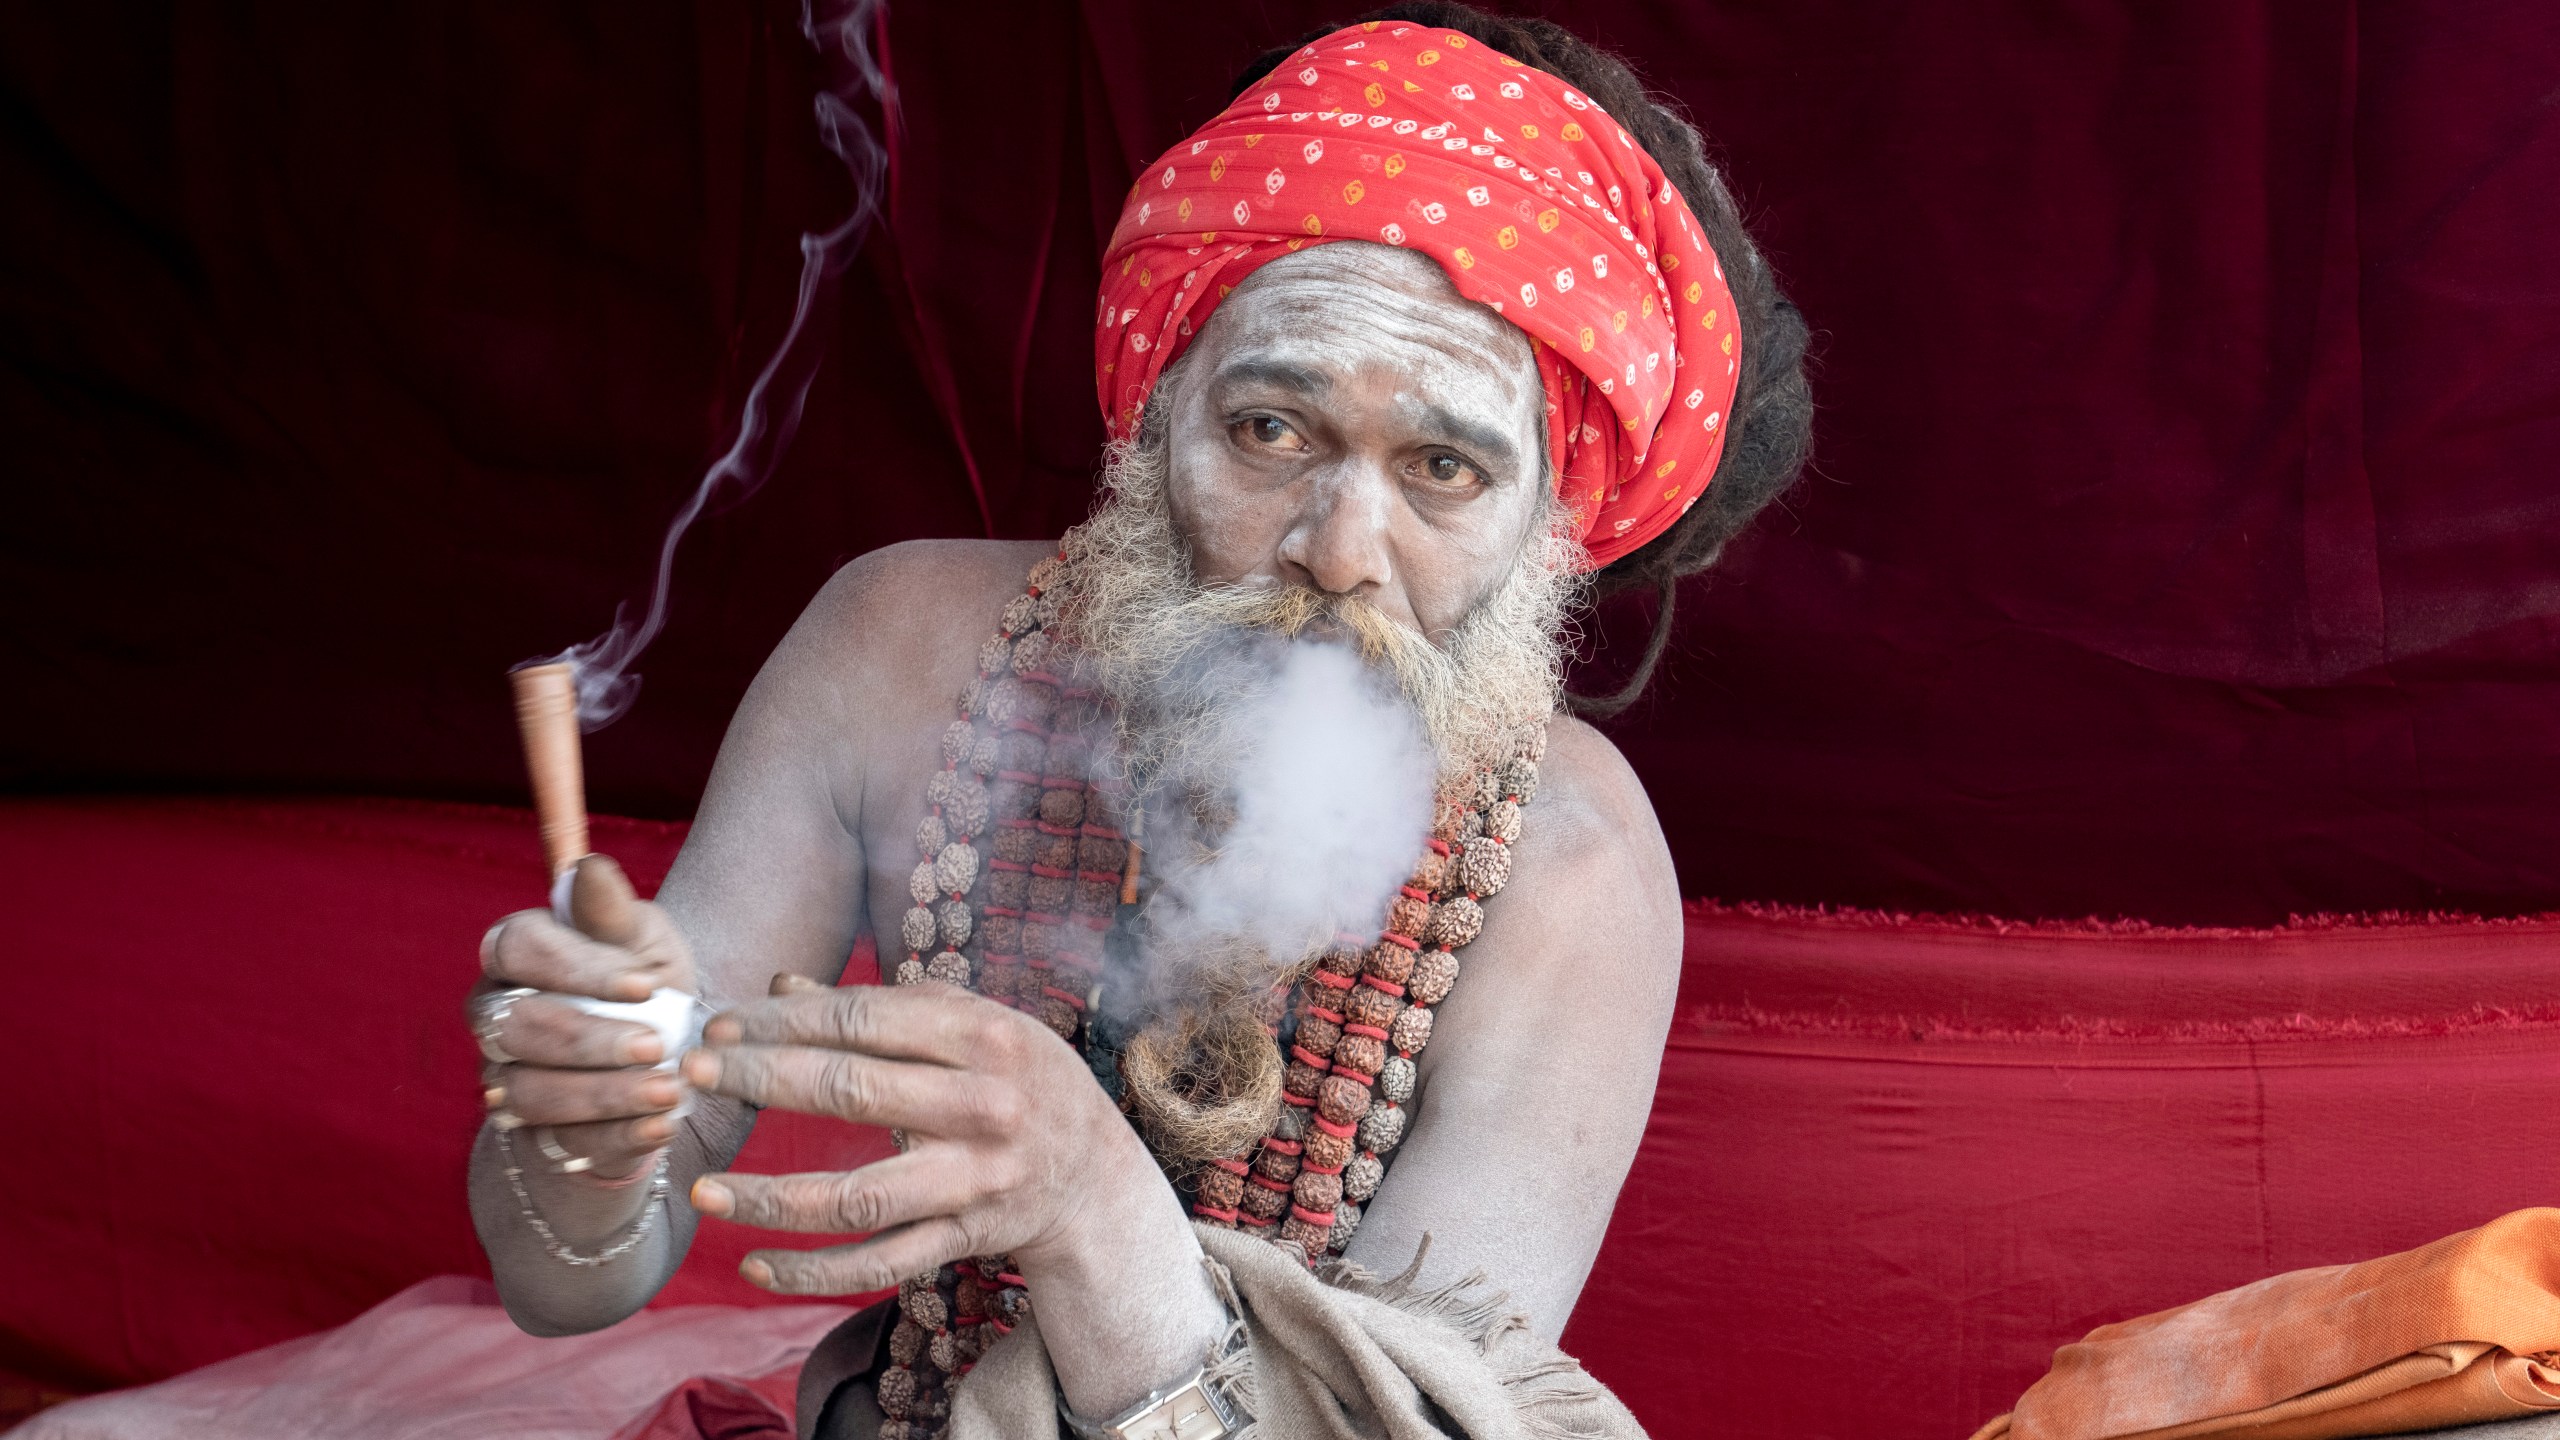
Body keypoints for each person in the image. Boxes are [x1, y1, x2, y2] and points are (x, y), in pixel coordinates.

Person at [465, 5, 1811, 1436]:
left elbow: (1410, 1422)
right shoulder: (896, 651)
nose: (1340, 548)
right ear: (1157, 411)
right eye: (1270, 430)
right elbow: (567, 1282)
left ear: (1549, 526)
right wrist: (588, 1135)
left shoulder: (1571, 866)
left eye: (1441, 469)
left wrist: (1091, 1205)